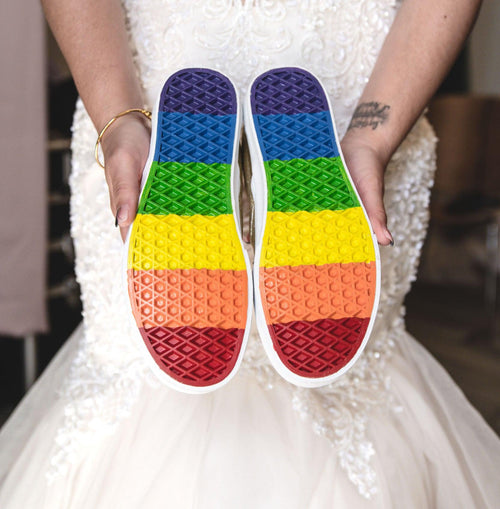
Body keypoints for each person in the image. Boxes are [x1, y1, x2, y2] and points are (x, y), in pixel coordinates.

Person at [1, 0, 499, 507]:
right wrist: (372, 137)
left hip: (157, 79)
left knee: (136, 368)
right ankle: (309, 161)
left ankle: (201, 157)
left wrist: (118, 118)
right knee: (354, 373)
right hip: (352, 85)